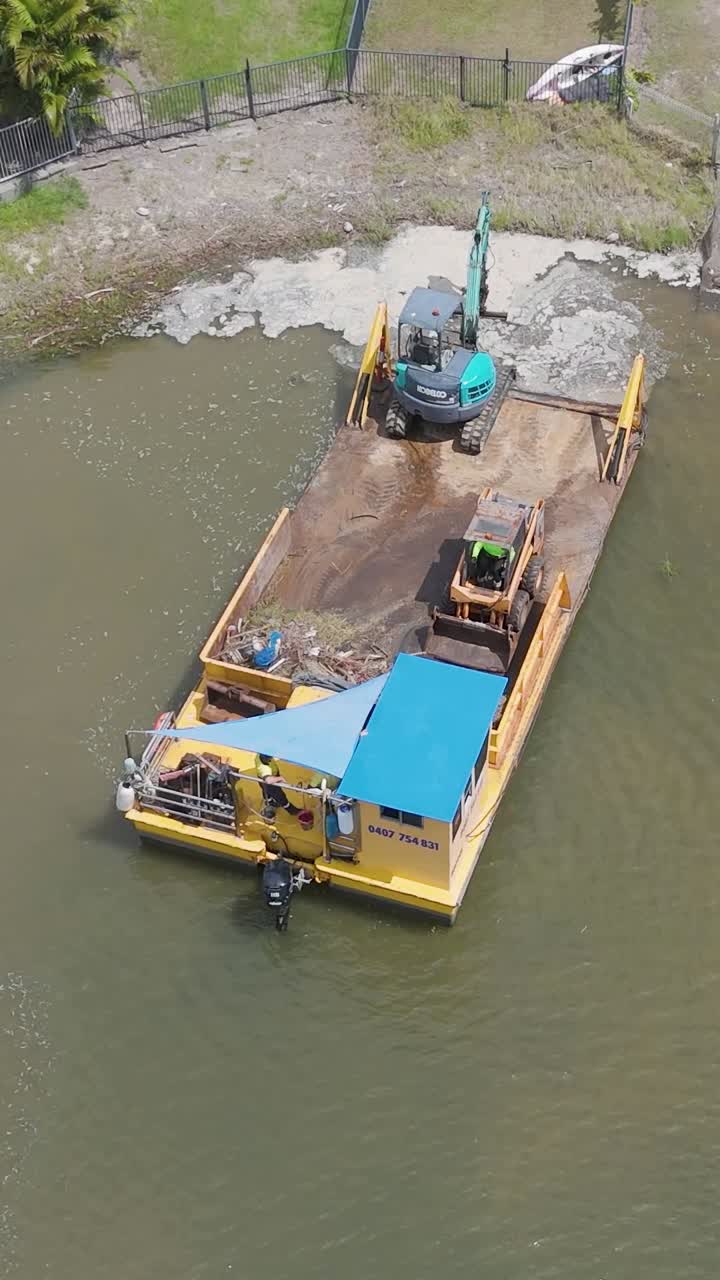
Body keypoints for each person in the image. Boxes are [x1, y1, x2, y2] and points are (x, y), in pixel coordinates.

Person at [255, 753, 302, 819]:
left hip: (262, 778)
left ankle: (270, 802)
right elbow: (269, 780)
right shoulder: (265, 768)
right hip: (270, 781)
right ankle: (291, 810)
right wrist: (279, 778)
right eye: (269, 759)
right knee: (280, 796)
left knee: (266, 791)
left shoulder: (259, 755)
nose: (270, 759)